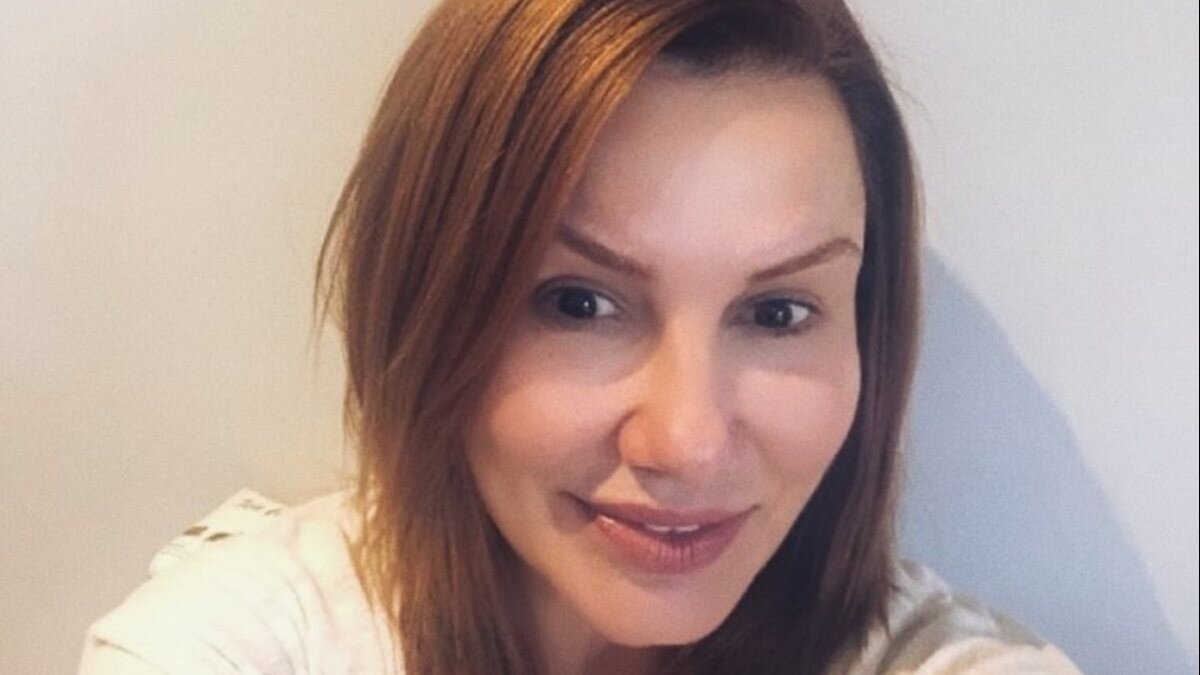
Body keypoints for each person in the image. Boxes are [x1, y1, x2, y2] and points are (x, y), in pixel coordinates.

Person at [79, 0, 1083, 673]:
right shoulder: (246, 640)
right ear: (425, 303)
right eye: (578, 303)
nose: (688, 442)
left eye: (777, 313)